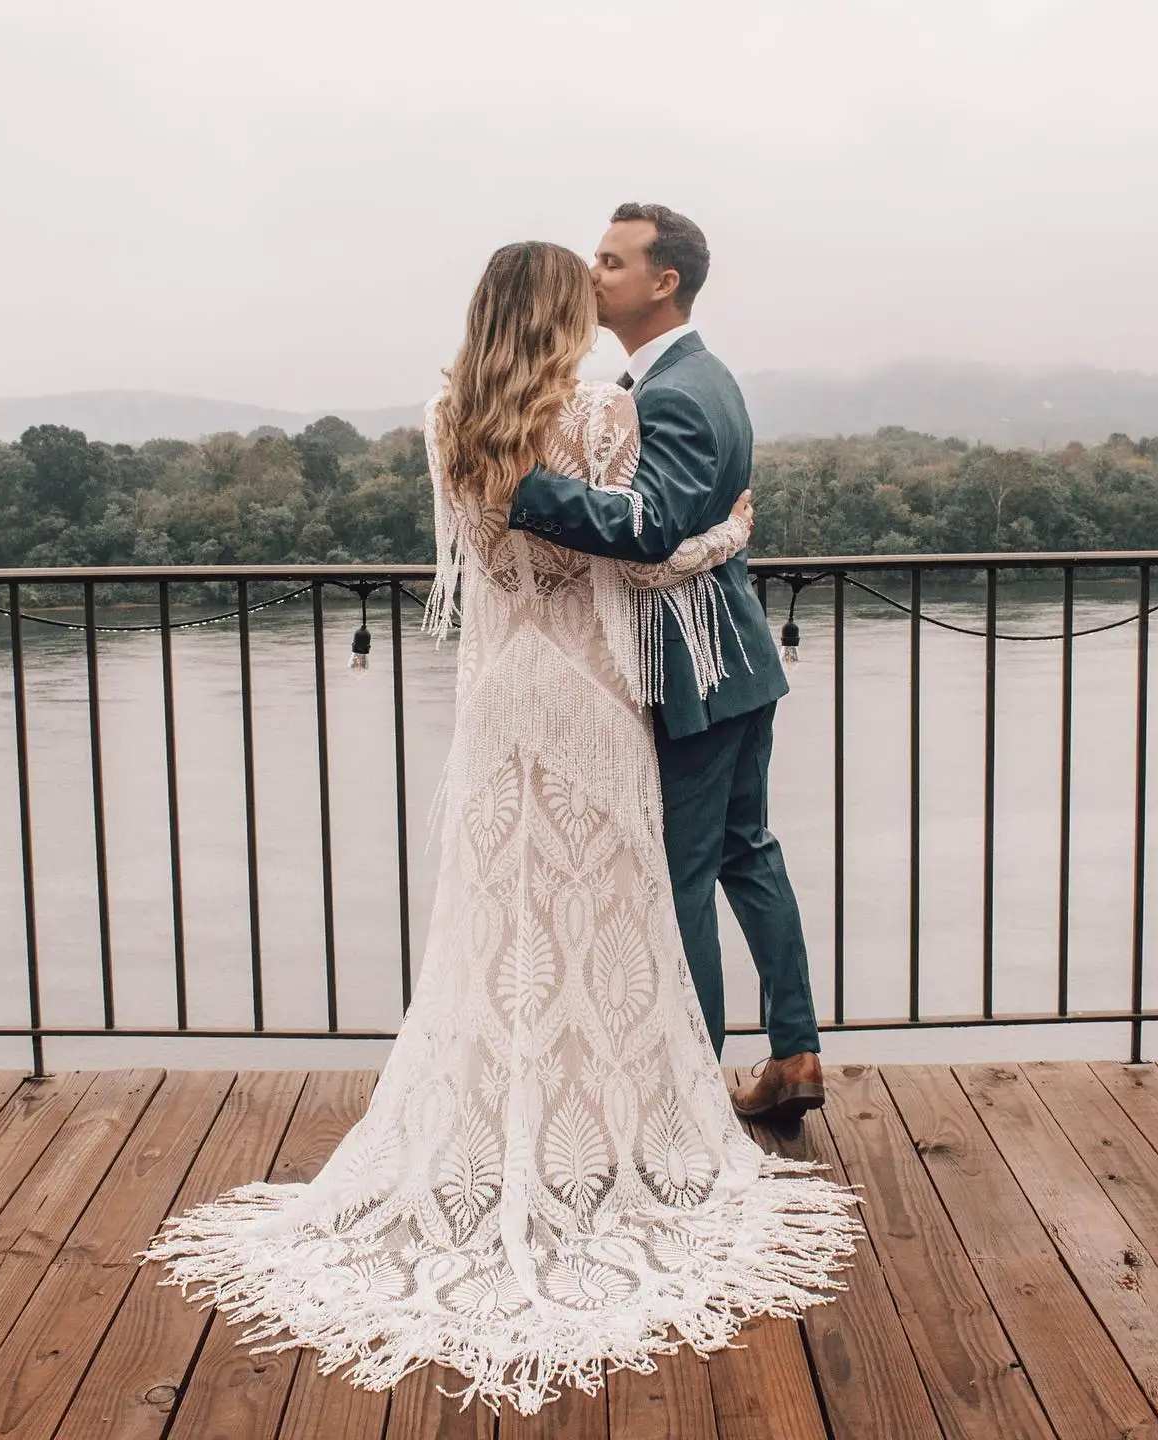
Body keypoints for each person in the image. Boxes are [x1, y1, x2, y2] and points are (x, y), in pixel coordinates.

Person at [144, 241, 858, 1416]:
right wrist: (731, 536)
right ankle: (623, 1118)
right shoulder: (604, 414)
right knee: (611, 906)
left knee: (496, 917)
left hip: (497, 700)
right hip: (590, 699)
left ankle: (502, 1115)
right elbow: (640, 556)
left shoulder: (444, 417)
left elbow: (497, 560)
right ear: (560, 316)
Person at [511, 204, 825, 1124]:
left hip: (695, 670)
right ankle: (796, 1052)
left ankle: (691, 1086)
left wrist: (520, 489)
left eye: (611, 260)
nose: (591, 272)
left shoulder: (674, 391)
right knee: (745, 850)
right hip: (738, 659)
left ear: (664, 282)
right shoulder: (700, 376)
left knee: (682, 872)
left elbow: (650, 529)